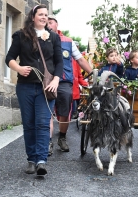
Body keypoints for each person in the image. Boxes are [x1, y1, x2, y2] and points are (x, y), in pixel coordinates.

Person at [5, 4, 63, 176]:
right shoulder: (21, 36)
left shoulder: (53, 38)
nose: (44, 17)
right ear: (33, 17)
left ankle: (41, 161)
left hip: (47, 87)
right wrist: (19, 69)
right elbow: (9, 58)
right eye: (40, 14)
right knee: (29, 124)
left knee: (43, 124)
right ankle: (31, 159)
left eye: (46, 15)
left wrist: (56, 80)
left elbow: (59, 62)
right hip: (25, 87)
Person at [47, 15, 92, 153]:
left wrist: (93, 73)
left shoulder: (68, 42)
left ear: (56, 25)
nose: (48, 25)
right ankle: (47, 142)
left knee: (64, 113)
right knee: (46, 112)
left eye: (51, 22)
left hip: (64, 82)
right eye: (46, 22)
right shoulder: (40, 38)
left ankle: (62, 137)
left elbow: (80, 60)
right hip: (46, 81)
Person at [71, 41, 89, 119]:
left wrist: (86, 84)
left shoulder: (76, 61)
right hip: (65, 89)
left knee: (74, 114)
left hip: (74, 89)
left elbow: (79, 76)